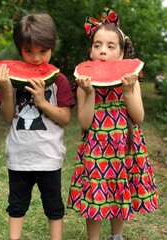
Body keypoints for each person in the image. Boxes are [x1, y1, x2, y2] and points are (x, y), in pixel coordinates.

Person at [67, 7, 158, 240]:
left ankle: (116, 235)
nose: (103, 51)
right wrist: (88, 93)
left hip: (124, 146)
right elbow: (85, 123)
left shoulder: (131, 79)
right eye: (97, 45)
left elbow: (138, 117)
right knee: (96, 192)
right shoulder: (83, 80)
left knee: (120, 191)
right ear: (90, 51)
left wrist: (128, 90)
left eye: (110, 46)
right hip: (96, 147)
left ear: (121, 54)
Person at [0, 13, 75, 240]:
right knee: (17, 204)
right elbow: (7, 117)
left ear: (52, 47)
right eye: (29, 51)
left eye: (43, 51)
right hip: (19, 156)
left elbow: (66, 118)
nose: (37, 59)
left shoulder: (59, 81)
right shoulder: (11, 79)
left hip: (49, 157)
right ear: (20, 49)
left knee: (53, 205)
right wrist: (7, 90)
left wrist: (41, 102)